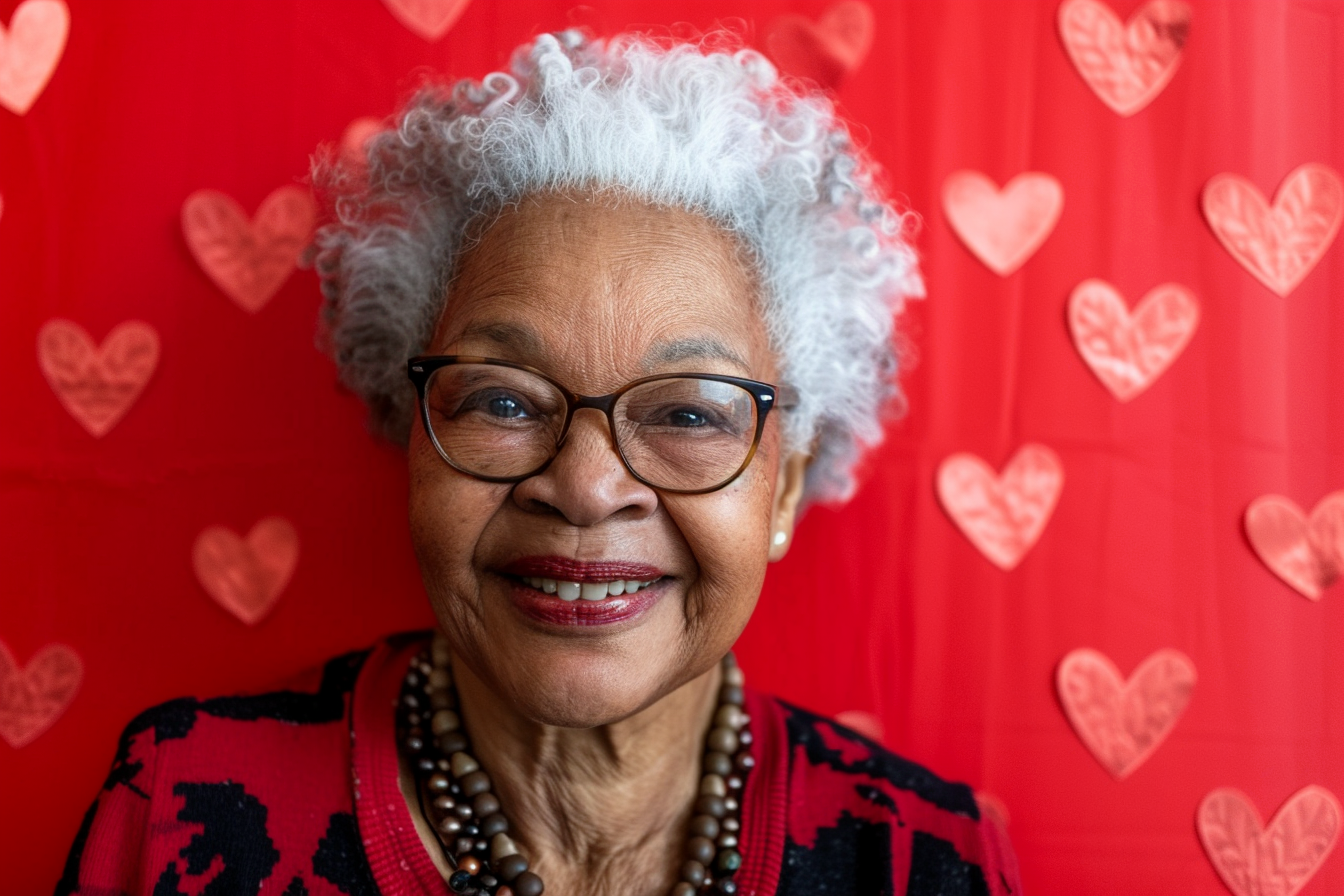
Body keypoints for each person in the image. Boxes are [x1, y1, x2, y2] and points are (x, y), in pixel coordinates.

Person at [59, 30, 1020, 896]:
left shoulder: (922, 859)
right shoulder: (185, 807)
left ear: (786, 488)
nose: (587, 487)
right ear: (413, 433)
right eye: (505, 400)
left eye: (688, 411)